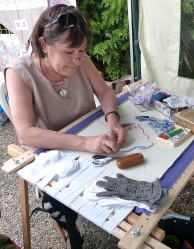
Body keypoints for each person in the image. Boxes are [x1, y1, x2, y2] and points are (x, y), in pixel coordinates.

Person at [4, 4, 126, 249]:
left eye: (82, 51)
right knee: (68, 196)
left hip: (88, 136)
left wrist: (112, 118)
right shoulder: (19, 72)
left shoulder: (81, 60)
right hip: (53, 149)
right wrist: (86, 143)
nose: (77, 60)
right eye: (69, 52)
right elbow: (25, 133)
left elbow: (105, 92)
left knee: (125, 179)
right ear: (44, 44)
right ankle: (70, 227)